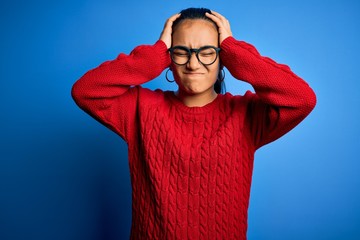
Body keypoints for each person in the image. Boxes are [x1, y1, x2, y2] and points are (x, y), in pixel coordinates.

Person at [72, 7, 316, 240]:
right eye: (181, 52)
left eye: (207, 52)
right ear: (169, 58)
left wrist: (236, 51)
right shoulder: (139, 108)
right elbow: (85, 91)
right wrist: (155, 54)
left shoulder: (246, 115)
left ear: (223, 58)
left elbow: (302, 99)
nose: (193, 63)